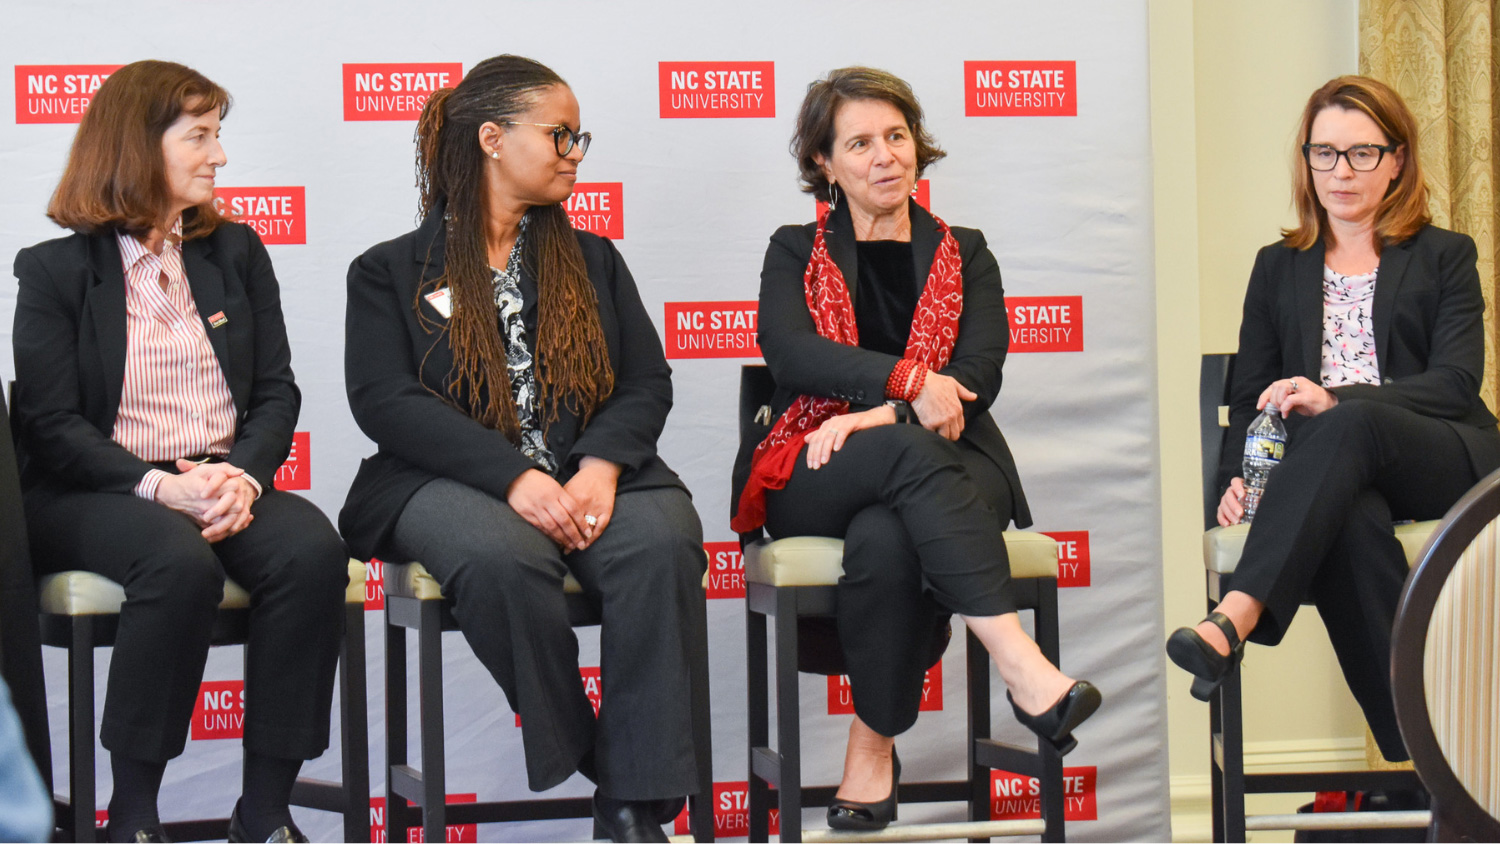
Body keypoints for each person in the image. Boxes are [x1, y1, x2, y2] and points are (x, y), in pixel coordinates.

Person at [340, 55, 705, 844]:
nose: (575, 151)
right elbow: (386, 402)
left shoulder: (596, 260)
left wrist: (602, 467)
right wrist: (514, 478)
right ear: (493, 139)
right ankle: (613, 765)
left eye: (580, 136)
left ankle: (629, 811)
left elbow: (646, 382)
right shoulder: (385, 271)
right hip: (444, 481)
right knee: (505, 559)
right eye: (560, 134)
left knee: (660, 546)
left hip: (596, 473)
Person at [732, 66, 1101, 833]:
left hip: (951, 454)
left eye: (895, 136)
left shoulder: (965, 251)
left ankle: (872, 742)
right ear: (825, 163)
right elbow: (793, 354)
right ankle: (1021, 665)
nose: (884, 156)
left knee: (888, 533)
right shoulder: (794, 248)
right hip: (817, 458)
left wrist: (887, 416)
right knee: (904, 466)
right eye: (859, 143)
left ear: (917, 146)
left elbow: (977, 375)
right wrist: (905, 387)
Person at [11, 60, 348, 843]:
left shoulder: (235, 253)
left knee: (309, 553)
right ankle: (133, 815)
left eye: (217, 136)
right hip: (94, 489)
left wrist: (243, 475)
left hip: (219, 475)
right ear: (137, 146)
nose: (218, 156)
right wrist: (159, 490)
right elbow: (54, 425)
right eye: (199, 136)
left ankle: (265, 814)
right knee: (176, 563)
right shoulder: (55, 270)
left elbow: (276, 392)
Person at [1166, 75, 1500, 761]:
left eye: (1361, 153)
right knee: (1348, 514)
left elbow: (1456, 384)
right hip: (1333, 473)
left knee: (1347, 421)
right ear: (1306, 160)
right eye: (1324, 153)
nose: (1340, 172)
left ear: (1398, 159)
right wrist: (1240, 482)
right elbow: (1254, 395)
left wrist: (1339, 398)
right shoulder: (1276, 267)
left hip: (1445, 458)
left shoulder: (1445, 255)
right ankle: (1424, 750)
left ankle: (1237, 614)